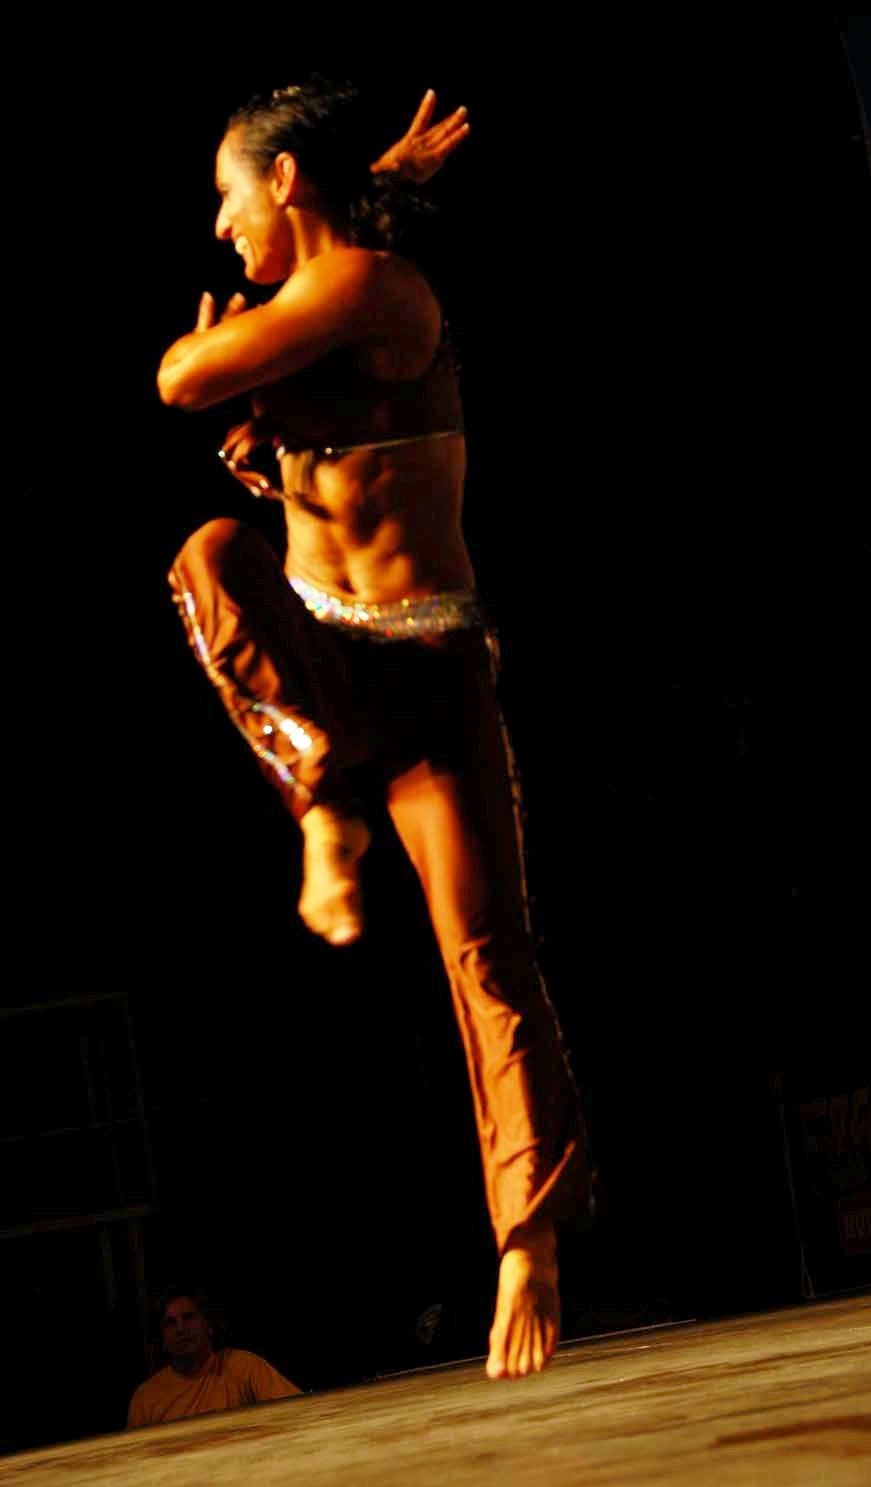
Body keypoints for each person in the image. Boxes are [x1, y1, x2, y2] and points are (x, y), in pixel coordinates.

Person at [157, 78, 591, 1379]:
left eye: (231, 196)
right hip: (324, 653)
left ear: (287, 182)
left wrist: (364, 196)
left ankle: (528, 1236)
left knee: (489, 953)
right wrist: (371, 182)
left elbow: (180, 375)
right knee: (210, 555)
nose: (219, 227)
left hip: (428, 665)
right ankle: (324, 806)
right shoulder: (322, 283)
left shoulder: (374, 290)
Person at [127, 1287, 301, 1428]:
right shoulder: (146, 1397)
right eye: (170, 1323)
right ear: (162, 1339)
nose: (180, 1328)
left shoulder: (244, 1367)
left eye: (188, 1317)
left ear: (208, 1325)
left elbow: (299, 1414)